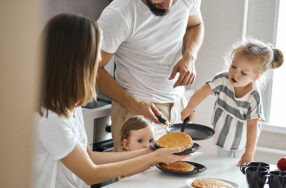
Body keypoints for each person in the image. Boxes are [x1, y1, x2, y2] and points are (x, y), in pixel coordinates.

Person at [34, 13, 189, 188]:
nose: (100, 59)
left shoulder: (69, 105)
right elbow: (90, 174)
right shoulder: (51, 118)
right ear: (75, 60)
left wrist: (148, 152)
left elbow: (90, 157)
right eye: (95, 51)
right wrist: (153, 158)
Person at [96, 0, 204, 151]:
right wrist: (135, 105)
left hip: (178, 108)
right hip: (135, 112)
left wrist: (190, 56)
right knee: (135, 175)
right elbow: (92, 70)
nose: (168, 6)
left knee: (180, 172)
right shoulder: (119, 13)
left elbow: (195, 24)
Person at [181, 39, 284, 166]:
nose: (235, 73)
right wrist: (190, 107)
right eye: (233, 66)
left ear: (256, 76)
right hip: (223, 135)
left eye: (243, 73)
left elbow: (252, 126)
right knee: (221, 164)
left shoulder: (253, 96)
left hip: (243, 141)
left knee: (237, 167)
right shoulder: (224, 79)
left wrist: (249, 153)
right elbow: (204, 90)